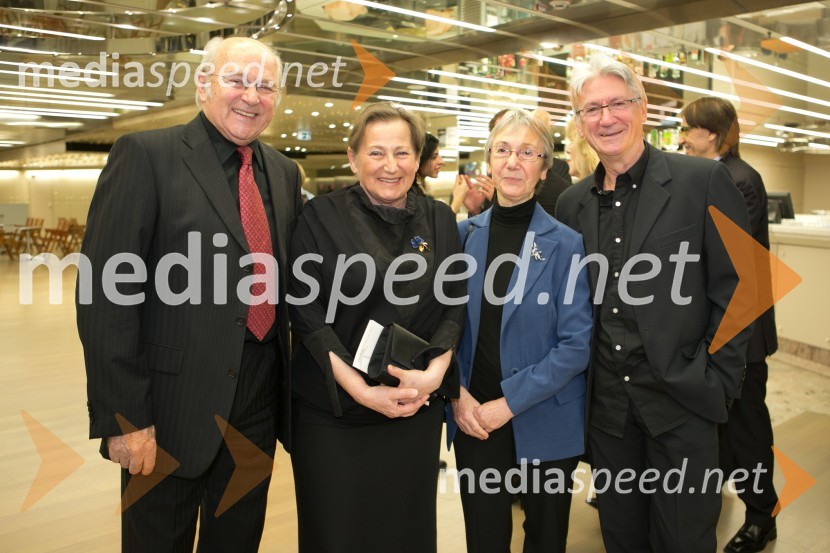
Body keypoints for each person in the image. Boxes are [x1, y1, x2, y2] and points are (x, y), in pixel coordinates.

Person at [77, 36, 302, 552]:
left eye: (266, 86)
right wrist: (125, 419)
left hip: (258, 400)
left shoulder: (284, 173)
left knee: (238, 540)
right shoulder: (146, 156)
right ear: (203, 84)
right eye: (237, 80)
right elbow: (105, 297)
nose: (251, 97)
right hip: (169, 407)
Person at [555, 54, 753, 553]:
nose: (606, 118)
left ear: (642, 107)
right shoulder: (572, 205)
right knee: (621, 540)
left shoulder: (701, 182)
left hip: (682, 407)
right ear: (579, 122)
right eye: (592, 109)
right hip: (609, 417)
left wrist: (718, 380)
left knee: (685, 541)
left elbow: (741, 287)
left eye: (617, 103)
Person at [287, 102, 465, 553]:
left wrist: (434, 376)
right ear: (353, 158)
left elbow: (454, 304)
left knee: (406, 533)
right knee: (337, 535)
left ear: (418, 159)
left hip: (413, 409)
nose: (391, 166)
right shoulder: (319, 217)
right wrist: (361, 390)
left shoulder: (440, 219)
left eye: (402, 153)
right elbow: (305, 313)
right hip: (335, 415)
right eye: (377, 153)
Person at [447, 108, 593, 553]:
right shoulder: (460, 237)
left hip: (545, 416)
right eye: (503, 150)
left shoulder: (567, 243)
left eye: (528, 153)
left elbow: (576, 345)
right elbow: (440, 331)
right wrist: (457, 394)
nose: (513, 162)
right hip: (474, 419)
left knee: (546, 539)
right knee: (484, 539)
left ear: (545, 169)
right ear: (489, 161)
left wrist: (508, 404)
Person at [680, 96, 779, 553]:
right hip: (710, 329)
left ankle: (761, 516)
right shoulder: (703, 175)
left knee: (747, 427)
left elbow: (725, 256)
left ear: (712, 134)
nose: (683, 137)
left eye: (689, 129)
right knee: (717, 425)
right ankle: (712, 499)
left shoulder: (742, 180)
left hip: (743, 334)